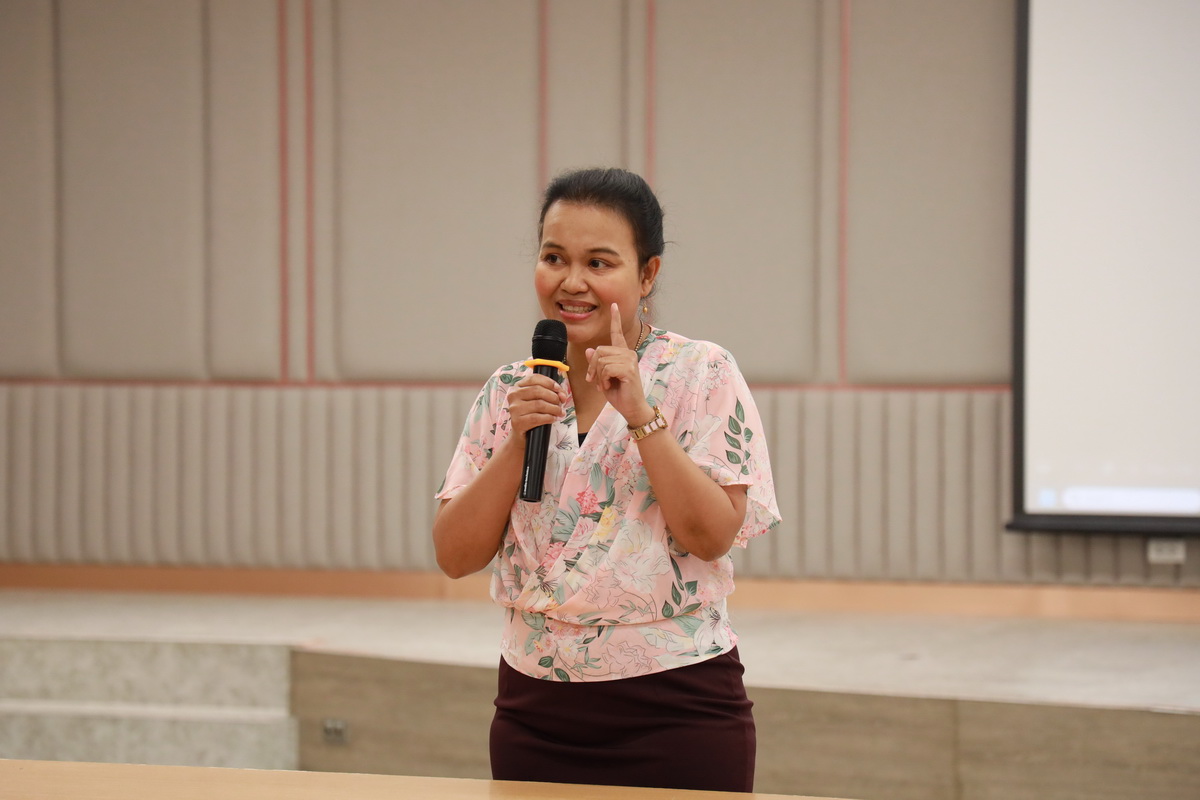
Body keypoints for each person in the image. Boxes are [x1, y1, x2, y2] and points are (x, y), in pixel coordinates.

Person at [433, 167, 780, 793]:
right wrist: (518, 440)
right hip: (533, 712)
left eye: (598, 262)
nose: (572, 282)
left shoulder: (700, 372)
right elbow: (455, 556)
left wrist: (641, 415)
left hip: (676, 710)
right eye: (554, 258)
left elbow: (711, 537)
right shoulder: (511, 389)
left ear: (647, 274)